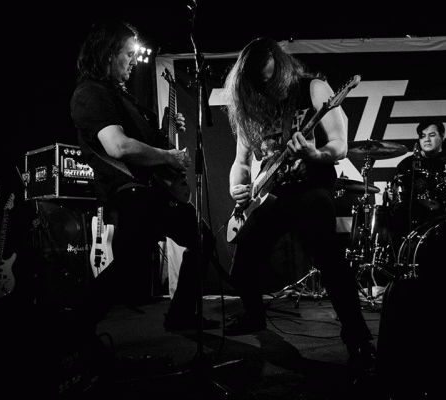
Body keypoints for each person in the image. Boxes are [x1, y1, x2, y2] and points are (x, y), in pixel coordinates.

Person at [222, 37, 375, 375]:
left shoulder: (313, 88)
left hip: (310, 188)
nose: (265, 86)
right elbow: (240, 162)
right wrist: (237, 187)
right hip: (270, 194)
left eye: (269, 77)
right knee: (242, 265)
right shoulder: (251, 106)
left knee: (330, 261)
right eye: (257, 81)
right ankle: (254, 315)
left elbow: (340, 145)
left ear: (280, 66)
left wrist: (315, 154)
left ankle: (358, 338)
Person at [70, 19, 219, 333]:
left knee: (201, 239)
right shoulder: (91, 94)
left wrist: (164, 128)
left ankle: (179, 315)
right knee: (126, 268)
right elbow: (119, 146)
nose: (133, 61)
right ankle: (75, 330)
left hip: (150, 190)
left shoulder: (120, 96)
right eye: (127, 54)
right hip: (129, 192)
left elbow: (143, 144)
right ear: (108, 54)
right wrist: (169, 156)